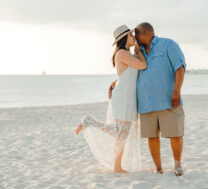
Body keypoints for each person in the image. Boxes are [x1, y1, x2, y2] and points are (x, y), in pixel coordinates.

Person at [109, 22, 186, 176]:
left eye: (136, 34)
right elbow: (128, 72)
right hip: (145, 103)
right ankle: (158, 168)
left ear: (146, 32)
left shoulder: (168, 44)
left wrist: (177, 91)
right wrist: (115, 82)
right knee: (152, 136)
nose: (135, 38)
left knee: (175, 134)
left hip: (168, 100)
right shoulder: (139, 50)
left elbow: (180, 66)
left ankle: (177, 165)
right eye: (132, 35)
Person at [76, 25, 147, 173]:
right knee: (121, 132)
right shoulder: (122, 53)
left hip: (126, 95)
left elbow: (125, 74)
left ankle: (117, 166)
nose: (134, 37)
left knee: (121, 134)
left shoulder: (126, 53)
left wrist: (115, 82)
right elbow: (142, 65)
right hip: (123, 97)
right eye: (131, 36)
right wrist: (139, 51)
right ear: (124, 39)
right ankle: (89, 121)